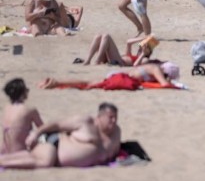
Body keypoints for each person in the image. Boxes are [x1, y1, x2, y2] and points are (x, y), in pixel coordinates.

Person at [0, 102, 120, 169]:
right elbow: (57, 124)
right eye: (110, 117)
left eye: (115, 117)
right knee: (45, 162)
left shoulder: (116, 133)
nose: (114, 121)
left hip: (60, 157)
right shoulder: (85, 122)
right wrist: (36, 133)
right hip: (54, 144)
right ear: (99, 117)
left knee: (30, 156)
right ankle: (3, 163)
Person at [38, 62, 181, 91]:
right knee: (89, 85)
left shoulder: (154, 67)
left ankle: (57, 82)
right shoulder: (156, 69)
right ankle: (56, 83)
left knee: (89, 83)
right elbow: (164, 84)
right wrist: (173, 85)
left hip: (120, 75)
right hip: (121, 78)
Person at [2, 78, 44, 154]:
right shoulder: (30, 109)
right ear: (22, 93)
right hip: (21, 152)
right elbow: (42, 128)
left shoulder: (6, 108)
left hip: (5, 152)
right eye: (26, 89)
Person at [82, 33, 159, 66]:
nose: (140, 48)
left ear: (148, 51)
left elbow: (135, 66)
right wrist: (143, 38)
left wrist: (143, 54)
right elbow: (128, 42)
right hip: (114, 58)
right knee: (98, 36)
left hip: (120, 62)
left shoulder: (145, 59)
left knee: (106, 36)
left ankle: (97, 61)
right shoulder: (132, 55)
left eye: (143, 47)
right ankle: (88, 60)